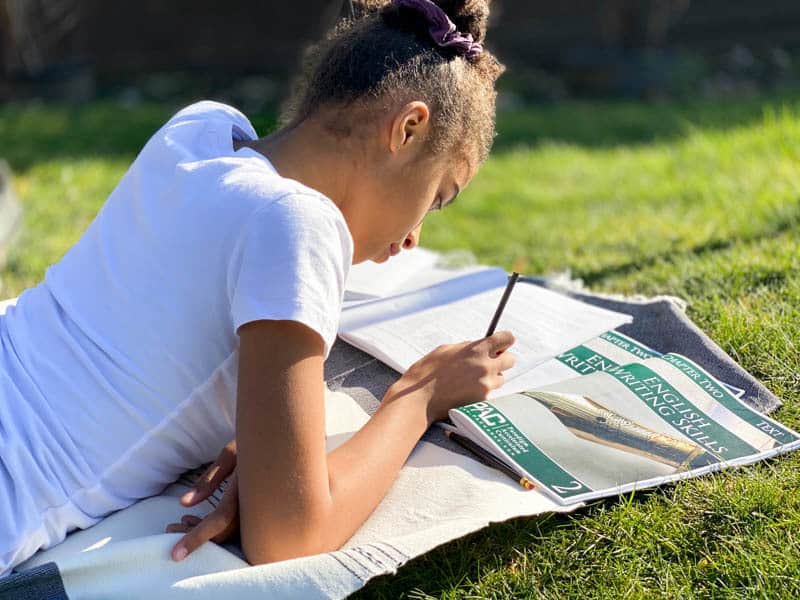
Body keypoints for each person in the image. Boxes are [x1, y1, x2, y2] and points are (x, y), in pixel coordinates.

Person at [0, 0, 514, 575]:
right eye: (438, 197)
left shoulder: (201, 130)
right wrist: (420, 396)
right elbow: (290, 538)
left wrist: (267, 441)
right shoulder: (297, 224)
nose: (416, 234)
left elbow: (166, 332)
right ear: (408, 128)